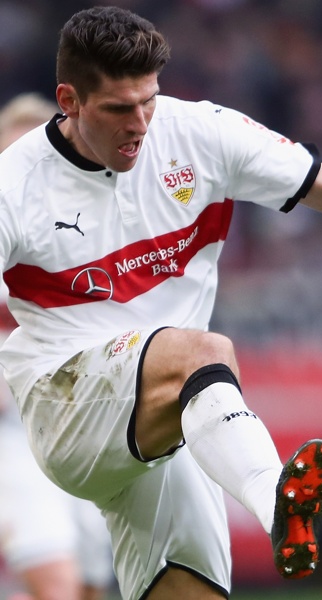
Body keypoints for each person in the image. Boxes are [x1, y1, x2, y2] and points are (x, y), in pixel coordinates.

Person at [0, 6, 322, 600]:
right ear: (69, 100)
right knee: (203, 352)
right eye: (117, 109)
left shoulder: (201, 133)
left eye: (148, 101)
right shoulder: (16, 186)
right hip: (68, 404)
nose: (140, 123)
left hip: (173, 417)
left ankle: (274, 504)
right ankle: (276, 501)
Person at [0, 92, 115, 600]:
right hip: (12, 433)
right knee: (57, 582)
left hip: (81, 422)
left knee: (90, 583)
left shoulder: (85, 237)